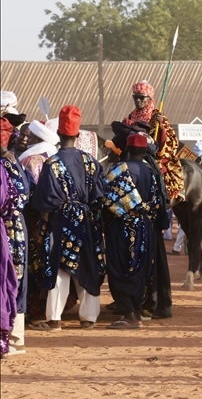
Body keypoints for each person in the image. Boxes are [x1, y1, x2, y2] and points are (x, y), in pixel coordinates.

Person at [29, 106, 105, 330]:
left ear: (59, 136)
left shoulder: (51, 164)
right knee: (88, 266)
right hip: (87, 221)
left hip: (60, 221)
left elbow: (43, 201)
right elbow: (100, 196)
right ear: (78, 134)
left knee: (60, 269)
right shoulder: (91, 163)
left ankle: (54, 319)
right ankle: (89, 318)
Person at [101, 132, 170, 328]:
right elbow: (159, 201)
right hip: (145, 227)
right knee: (140, 268)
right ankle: (137, 312)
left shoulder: (119, 169)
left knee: (119, 267)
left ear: (128, 149)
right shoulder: (151, 171)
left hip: (122, 226)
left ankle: (128, 314)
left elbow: (106, 201)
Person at [121, 81, 184, 202]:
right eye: (135, 97)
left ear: (149, 98)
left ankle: (160, 197)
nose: (138, 100)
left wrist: (161, 127)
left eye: (141, 97)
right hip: (132, 152)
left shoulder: (157, 115)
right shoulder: (132, 115)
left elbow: (172, 140)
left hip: (151, 153)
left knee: (156, 171)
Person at [1, 119, 30, 355]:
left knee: (10, 277)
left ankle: (12, 334)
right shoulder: (14, 162)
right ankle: (15, 335)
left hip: (8, 229)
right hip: (15, 227)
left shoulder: (5, 164)